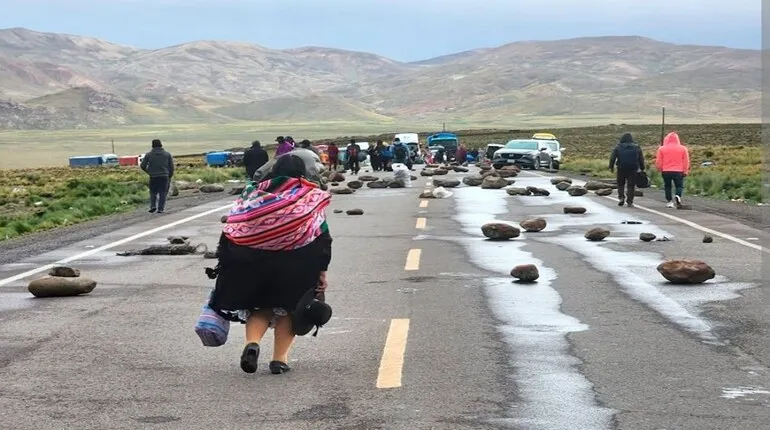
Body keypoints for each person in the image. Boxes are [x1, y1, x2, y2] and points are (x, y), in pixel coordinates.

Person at [208, 154, 333, 374]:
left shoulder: (252, 193)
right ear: (302, 173)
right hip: (295, 265)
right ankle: (279, 360)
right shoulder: (309, 195)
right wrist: (322, 271)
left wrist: (225, 263)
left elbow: (233, 227)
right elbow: (322, 236)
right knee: (288, 311)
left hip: (252, 263)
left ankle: (252, 344)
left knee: (260, 307)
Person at [609, 133, 645, 208]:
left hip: (621, 168)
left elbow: (612, 158)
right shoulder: (637, 147)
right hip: (633, 168)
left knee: (620, 183)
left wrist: (611, 167)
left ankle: (621, 197)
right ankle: (630, 201)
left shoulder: (618, 147)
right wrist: (642, 168)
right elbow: (641, 159)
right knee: (631, 185)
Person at [655, 132, 690, 208]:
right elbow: (686, 161)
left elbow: (659, 161)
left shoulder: (662, 149)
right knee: (679, 186)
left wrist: (659, 168)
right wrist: (685, 170)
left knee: (667, 186)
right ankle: (678, 196)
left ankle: (669, 201)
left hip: (666, 171)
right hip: (678, 171)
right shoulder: (683, 149)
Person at [140, 139, 174, 214]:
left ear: (152, 145)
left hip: (153, 176)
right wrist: (169, 176)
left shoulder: (148, 154)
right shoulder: (167, 154)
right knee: (163, 192)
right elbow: (171, 167)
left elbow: (142, 165)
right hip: (164, 176)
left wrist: (149, 172)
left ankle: (153, 206)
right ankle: (160, 208)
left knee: (153, 192)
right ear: (161, 145)